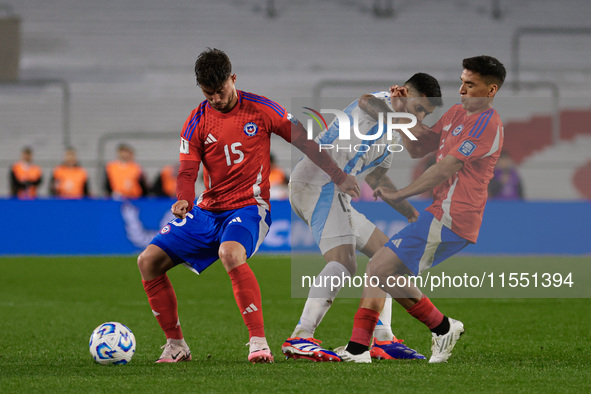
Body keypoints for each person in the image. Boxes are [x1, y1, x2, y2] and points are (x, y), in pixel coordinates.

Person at [136, 48, 359, 364]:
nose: (216, 98)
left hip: (248, 208)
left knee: (230, 253)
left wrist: (339, 175)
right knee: (147, 261)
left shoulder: (262, 109)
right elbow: (187, 170)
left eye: (221, 90)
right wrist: (184, 198)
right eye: (208, 93)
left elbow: (307, 142)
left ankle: (258, 343)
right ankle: (176, 345)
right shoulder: (196, 120)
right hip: (207, 210)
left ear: (233, 78)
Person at [334, 55, 506, 363]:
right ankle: (360, 349)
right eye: (462, 83)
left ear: (491, 91)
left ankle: (441, 328)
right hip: (442, 211)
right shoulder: (455, 113)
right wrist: (399, 111)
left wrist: (401, 193)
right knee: (381, 270)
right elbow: (417, 147)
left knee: (379, 269)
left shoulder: (488, 124)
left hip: (455, 214)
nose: (462, 90)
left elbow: (443, 169)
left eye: (471, 85)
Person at [282, 73, 443, 362]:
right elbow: (366, 101)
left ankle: (383, 340)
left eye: (425, 114)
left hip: (333, 189)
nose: (420, 117)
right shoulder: (382, 103)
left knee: (386, 257)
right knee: (343, 262)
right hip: (319, 183)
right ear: (405, 93)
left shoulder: (393, 132)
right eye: (419, 108)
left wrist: (409, 211)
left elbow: (378, 176)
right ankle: (301, 336)